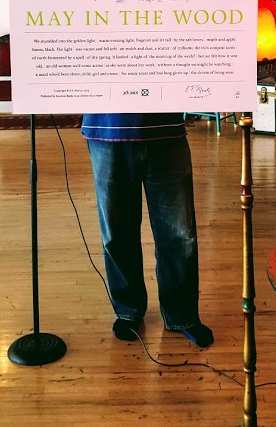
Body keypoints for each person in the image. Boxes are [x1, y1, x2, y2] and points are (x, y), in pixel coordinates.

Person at [81, 112, 213, 347]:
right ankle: (127, 310)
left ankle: (181, 315)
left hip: (166, 130)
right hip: (106, 130)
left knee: (179, 235)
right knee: (116, 232)